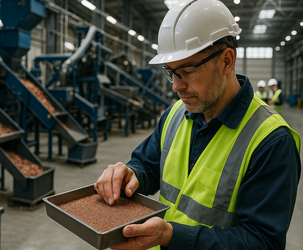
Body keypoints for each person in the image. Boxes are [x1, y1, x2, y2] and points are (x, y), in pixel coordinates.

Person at [94, 0, 301, 249]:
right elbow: (148, 165)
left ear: (226, 61)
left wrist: (172, 236)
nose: (175, 86)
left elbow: (262, 241)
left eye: (187, 71)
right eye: (170, 72)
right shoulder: (175, 114)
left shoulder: (271, 141)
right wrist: (130, 174)